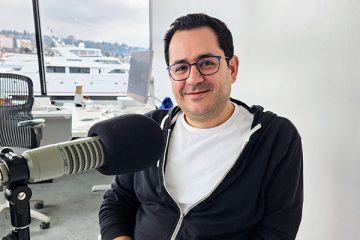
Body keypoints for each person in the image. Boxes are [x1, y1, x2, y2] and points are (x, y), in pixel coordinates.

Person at [99, 13, 303, 240]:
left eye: (206, 63)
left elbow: (278, 232)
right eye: (180, 68)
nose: (193, 79)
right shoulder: (148, 129)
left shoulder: (275, 138)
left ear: (232, 68)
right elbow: (117, 200)